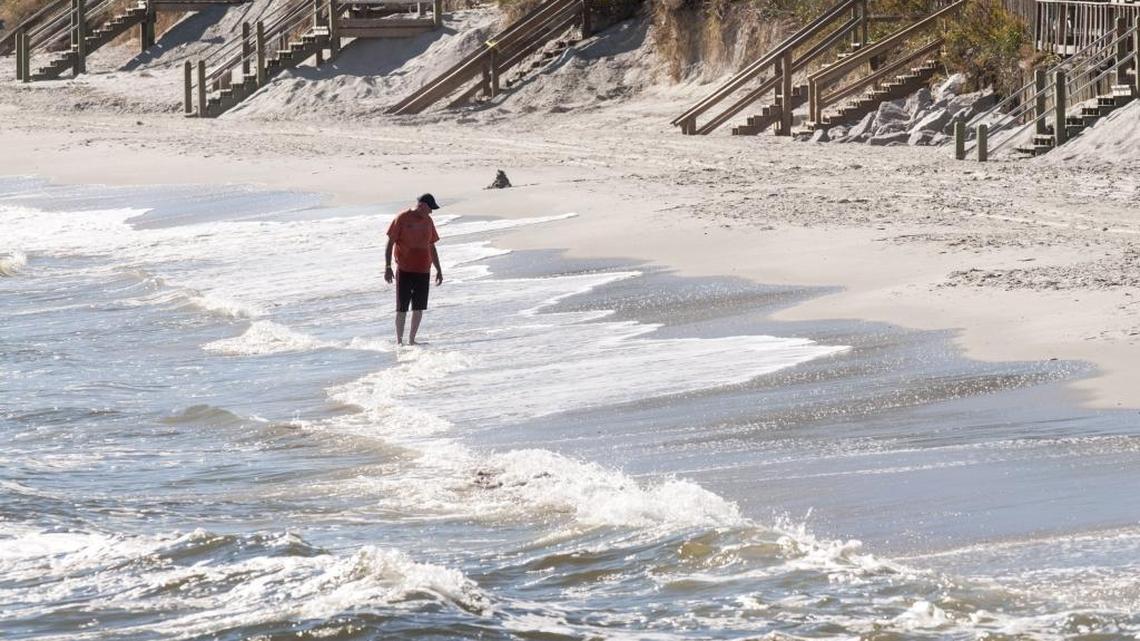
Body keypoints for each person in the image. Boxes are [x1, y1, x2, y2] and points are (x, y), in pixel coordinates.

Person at [384, 194, 443, 345]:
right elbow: (390, 243)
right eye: (430, 208)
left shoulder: (428, 221)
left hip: (424, 270)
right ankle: (399, 341)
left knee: (419, 307)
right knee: (401, 308)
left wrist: (439, 269)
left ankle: (412, 340)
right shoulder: (402, 218)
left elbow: (432, 246)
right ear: (422, 205)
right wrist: (388, 266)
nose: (431, 212)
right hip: (404, 270)